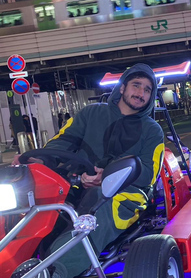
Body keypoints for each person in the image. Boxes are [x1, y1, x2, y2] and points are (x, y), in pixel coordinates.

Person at [13, 64, 164, 277]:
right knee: (36, 201)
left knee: (96, 208)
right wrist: (39, 158)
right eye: (136, 85)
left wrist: (107, 177)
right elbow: (63, 141)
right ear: (122, 88)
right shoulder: (91, 113)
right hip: (76, 183)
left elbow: (149, 172)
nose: (140, 93)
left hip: (125, 192)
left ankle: (56, 272)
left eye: (147, 90)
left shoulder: (152, 130)